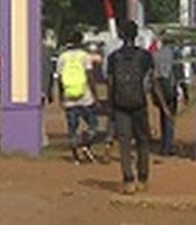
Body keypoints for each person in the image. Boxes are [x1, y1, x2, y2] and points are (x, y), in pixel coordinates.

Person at [106, 20, 169, 194]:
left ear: (121, 35)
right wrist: (162, 105)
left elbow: (111, 83)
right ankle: (143, 178)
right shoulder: (144, 56)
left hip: (119, 104)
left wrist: (110, 107)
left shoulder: (113, 57)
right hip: (139, 103)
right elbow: (152, 82)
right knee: (142, 141)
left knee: (124, 142)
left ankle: (128, 180)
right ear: (136, 35)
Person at [55, 30, 102, 163]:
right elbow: (90, 77)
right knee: (93, 126)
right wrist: (95, 95)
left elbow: (59, 79)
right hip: (85, 97)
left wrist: (61, 97)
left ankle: (75, 157)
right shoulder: (84, 56)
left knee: (72, 129)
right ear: (81, 41)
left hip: (69, 98)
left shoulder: (62, 57)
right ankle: (86, 145)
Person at [150, 35, 179, 156]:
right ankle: (168, 146)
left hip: (158, 86)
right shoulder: (175, 55)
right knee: (170, 116)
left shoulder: (155, 55)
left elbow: (152, 74)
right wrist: (185, 90)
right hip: (170, 85)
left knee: (163, 114)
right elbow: (179, 72)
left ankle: (164, 144)